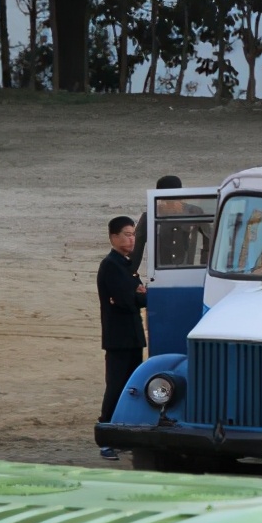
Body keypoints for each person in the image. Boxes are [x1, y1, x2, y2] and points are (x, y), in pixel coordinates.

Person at [97, 215, 148, 460]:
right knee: (116, 385)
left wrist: (138, 294)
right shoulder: (110, 265)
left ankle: (123, 433)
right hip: (118, 338)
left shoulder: (127, 265)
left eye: (133, 235)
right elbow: (128, 300)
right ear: (113, 237)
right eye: (127, 235)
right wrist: (137, 294)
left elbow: (140, 297)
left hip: (133, 335)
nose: (132, 239)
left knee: (131, 387)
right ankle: (106, 437)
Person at [129, 175, 183, 272]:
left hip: (188, 271)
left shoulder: (193, 212)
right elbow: (136, 248)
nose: (170, 201)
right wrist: (131, 274)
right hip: (160, 272)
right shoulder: (149, 217)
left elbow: (209, 242)